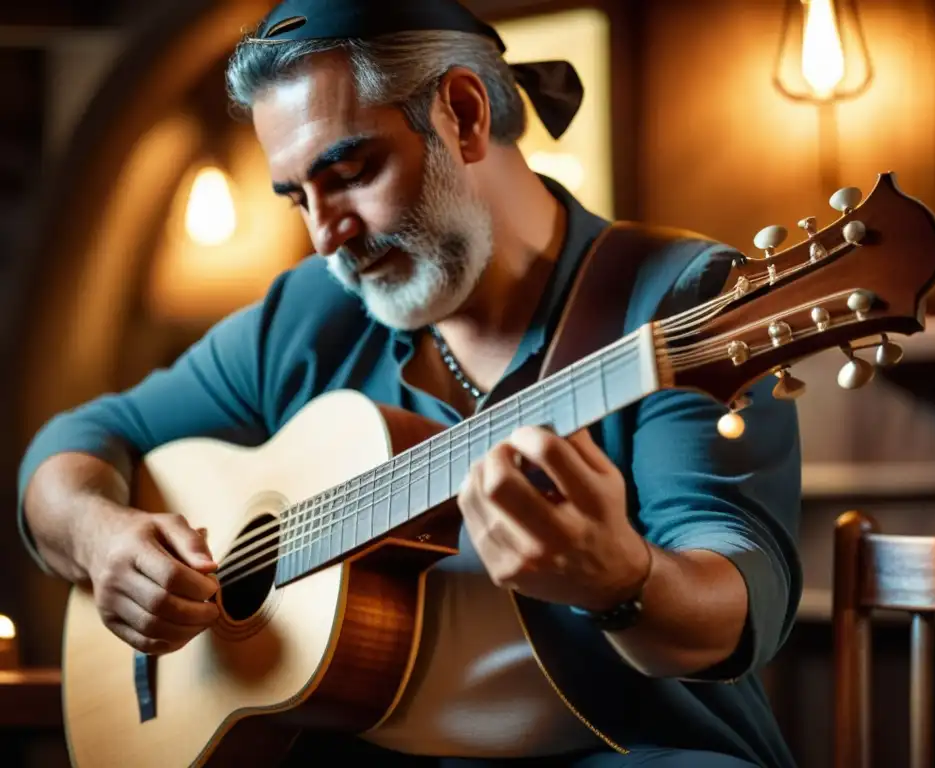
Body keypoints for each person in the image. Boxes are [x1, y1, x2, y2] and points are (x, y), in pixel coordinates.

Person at [16, 1, 803, 766]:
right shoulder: (309, 313)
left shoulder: (673, 301)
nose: (327, 233)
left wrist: (621, 581)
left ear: (461, 114)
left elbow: (737, 599)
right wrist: (100, 536)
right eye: (298, 198)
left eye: (350, 171)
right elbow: (74, 445)